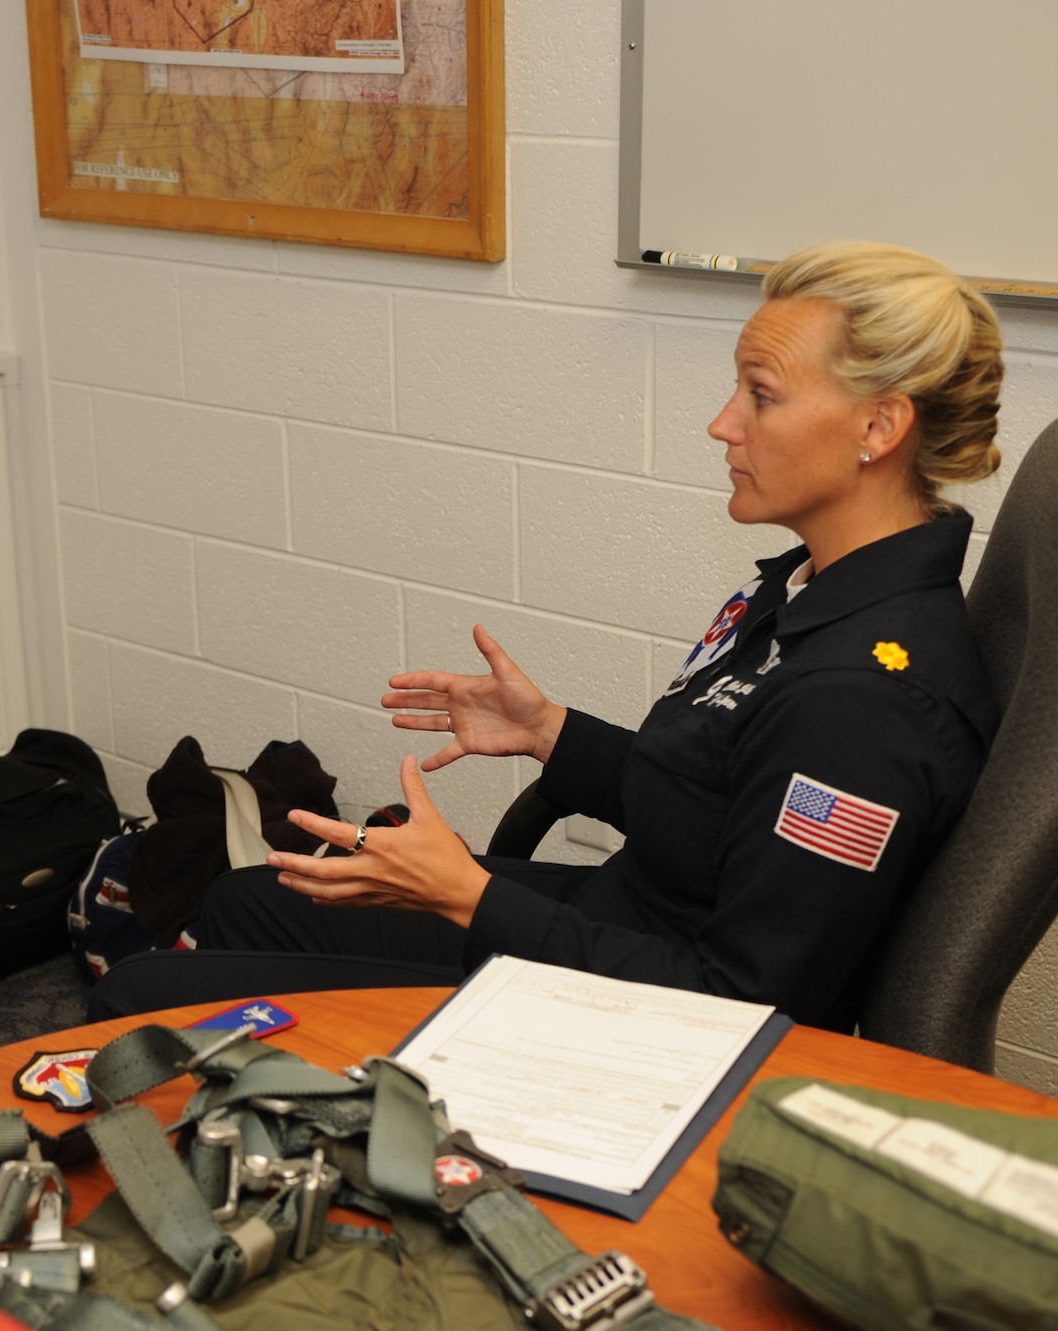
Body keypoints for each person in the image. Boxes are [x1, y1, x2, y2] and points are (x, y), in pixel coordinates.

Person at [92, 240, 1004, 1032]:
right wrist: (551, 733)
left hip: (631, 1024)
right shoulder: (813, 591)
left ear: (879, 427)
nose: (722, 423)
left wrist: (466, 895)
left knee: (142, 1000)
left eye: (759, 397)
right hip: (622, 922)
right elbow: (715, 812)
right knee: (252, 898)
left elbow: (740, 1009)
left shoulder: (865, 703)